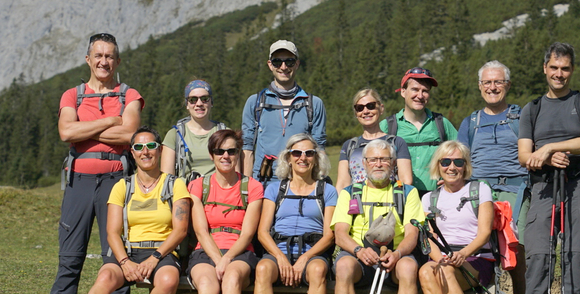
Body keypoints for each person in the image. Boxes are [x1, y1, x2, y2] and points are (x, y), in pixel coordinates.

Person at [50, 33, 144, 294]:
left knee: (115, 254)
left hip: (116, 180)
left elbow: (129, 135)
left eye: (110, 56)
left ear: (118, 61)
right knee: (70, 253)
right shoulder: (72, 95)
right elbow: (65, 133)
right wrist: (109, 121)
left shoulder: (129, 95)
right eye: (98, 56)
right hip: (78, 180)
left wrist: (83, 129)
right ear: (88, 59)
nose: (104, 61)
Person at [518, 42, 580, 294]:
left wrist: (551, 148)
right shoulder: (532, 108)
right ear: (545, 69)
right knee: (539, 258)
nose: (559, 74)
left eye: (565, 68)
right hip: (542, 188)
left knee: (574, 257)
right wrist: (545, 158)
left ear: (572, 70)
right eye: (554, 68)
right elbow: (524, 155)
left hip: (579, 186)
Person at [63, 127, 189, 294]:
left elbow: (180, 230)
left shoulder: (175, 185)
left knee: (168, 281)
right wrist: (124, 262)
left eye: (151, 146)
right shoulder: (122, 186)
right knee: (106, 274)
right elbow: (112, 232)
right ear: (132, 152)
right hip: (129, 251)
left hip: (162, 252)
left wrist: (155, 257)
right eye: (139, 147)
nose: (145, 152)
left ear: (160, 151)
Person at [331, 139, 424, 294]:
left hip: (395, 257)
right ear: (364, 163)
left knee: (409, 268)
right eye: (373, 159)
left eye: (384, 159)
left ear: (393, 163)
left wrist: (398, 253)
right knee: (343, 266)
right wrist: (358, 250)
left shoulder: (408, 192)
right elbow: (340, 233)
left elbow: (412, 233)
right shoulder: (350, 192)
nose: (378, 164)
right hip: (358, 258)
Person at [457, 60, 528, 294]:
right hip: (480, 195)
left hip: (517, 194)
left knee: (518, 260)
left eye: (498, 82)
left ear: (508, 85)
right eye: (487, 82)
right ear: (479, 86)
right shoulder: (470, 122)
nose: (492, 87)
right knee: (487, 259)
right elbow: (460, 158)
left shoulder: (522, 118)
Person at [254, 134, 337, 294]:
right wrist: (280, 258)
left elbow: (329, 235)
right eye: (297, 153)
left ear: (316, 159)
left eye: (309, 153)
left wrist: (304, 259)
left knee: (318, 270)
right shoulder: (275, 189)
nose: (303, 158)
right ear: (288, 158)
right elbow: (263, 232)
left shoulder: (327, 191)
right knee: (263, 269)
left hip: (313, 252)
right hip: (278, 250)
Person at [419, 141, 494, 294]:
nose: (452, 167)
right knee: (425, 271)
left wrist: (463, 254)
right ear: (438, 165)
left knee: (442, 270)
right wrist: (439, 258)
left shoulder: (480, 190)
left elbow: (485, 233)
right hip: (444, 260)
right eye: (446, 161)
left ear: (466, 165)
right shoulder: (428, 199)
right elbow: (429, 237)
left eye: (458, 162)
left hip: (476, 257)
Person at [187, 129, 264, 294]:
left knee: (232, 276)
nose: (226, 156)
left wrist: (227, 258)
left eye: (231, 151)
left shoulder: (252, 187)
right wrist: (217, 259)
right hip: (206, 249)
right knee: (206, 281)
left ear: (239, 154)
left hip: (240, 251)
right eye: (220, 151)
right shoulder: (197, 186)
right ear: (212, 154)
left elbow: (248, 234)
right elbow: (201, 232)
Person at [241, 40, 326, 185]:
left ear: (297, 64)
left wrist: (318, 185)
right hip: (263, 182)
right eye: (277, 62)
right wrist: (246, 187)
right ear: (270, 65)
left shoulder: (314, 104)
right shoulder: (255, 102)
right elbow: (247, 147)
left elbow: (319, 148)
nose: (283, 67)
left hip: (301, 183)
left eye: (289, 62)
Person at [381, 67, 457, 194]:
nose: (420, 96)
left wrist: (453, 177)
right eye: (415, 89)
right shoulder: (388, 126)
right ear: (403, 92)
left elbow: (463, 154)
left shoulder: (441, 123)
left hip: (436, 198)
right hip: (398, 196)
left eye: (425, 91)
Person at [335, 88, 413, 191]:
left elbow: (405, 181)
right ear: (356, 113)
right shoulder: (349, 146)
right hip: (356, 205)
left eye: (370, 106)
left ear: (381, 108)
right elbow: (342, 185)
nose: (366, 111)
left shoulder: (396, 143)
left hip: (389, 204)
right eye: (360, 108)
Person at [162, 79, 227, 181]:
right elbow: (167, 179)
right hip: (184, 194)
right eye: (193, 100)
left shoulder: (225, 133)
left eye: (204, 99)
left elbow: (235, 176)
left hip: (218, 194)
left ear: (211, 102)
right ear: (187, 104)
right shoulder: (175, 135)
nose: (199, 103)